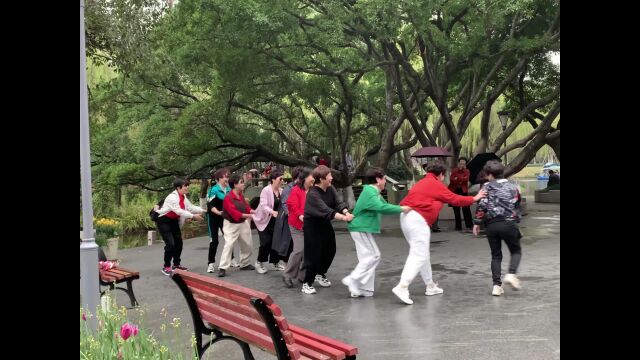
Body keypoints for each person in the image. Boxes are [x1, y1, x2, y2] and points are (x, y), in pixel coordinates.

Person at [392, 161, 486, 304]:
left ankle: (430, 286)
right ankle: (402, 286)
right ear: (441, 174)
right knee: (419, 254)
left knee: (422, 254)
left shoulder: (422, 182)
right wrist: (474, 198)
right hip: (418, 219)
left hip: (407, 217)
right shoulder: (435, 184)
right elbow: (455, 199)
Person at [342, 168, 411, 297]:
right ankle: (353, 280)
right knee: (373, 256)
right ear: (378, 179)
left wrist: (404, 205)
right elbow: (382, 208)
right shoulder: (369, 191)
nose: (385, 181)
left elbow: (386, 206)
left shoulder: (373, 192)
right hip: (360, 228)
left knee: (370, 257)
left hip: (362, 228)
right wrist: (402, 209)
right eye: (384, 178)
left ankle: (362, 288)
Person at [472, 160, 523, 296]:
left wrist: (477, 223)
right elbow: (517, 203)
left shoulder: (486, 186)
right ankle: (511, 274)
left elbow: (482, 205)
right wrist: (516, 219)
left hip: (492, 225)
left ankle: (496, 286)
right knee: (516, 251)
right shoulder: (514, 185)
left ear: (489, 175)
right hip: (509, 223)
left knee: (496, 255)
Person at [301, 165, 353, 295]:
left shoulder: (330, 188)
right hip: (312, 226)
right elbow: (326, 210)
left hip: (324, 224)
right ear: (322, 179)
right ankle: (307, 283)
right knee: (314, 254)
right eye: (329, 175)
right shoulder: (313, 194)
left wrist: (346, 212)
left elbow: (338, 203)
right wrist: (343, 218)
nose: (331, 178)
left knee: (330, 249)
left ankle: (320, 273)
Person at [156, 178, 205, 276]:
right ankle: (166, 266)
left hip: (174, 222)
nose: (187, 187)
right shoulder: (172, 197)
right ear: (178, 188)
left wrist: (204, 210)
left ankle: (176, 265)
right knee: (170, 244)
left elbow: (191, 208)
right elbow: (179, 211)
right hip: (164, 221)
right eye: (185, 186)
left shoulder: (183, 197)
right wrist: (193, 216)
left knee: (179, 243)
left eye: (188, 185)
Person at [218, 174, 256, 277]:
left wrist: (253, 211)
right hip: (231, 224)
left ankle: (245, 263)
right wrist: (249, 215)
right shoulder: (228, 198)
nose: (243, 184)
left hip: (242, 223)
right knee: (229, 244)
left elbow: (246, 207)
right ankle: (222, 267)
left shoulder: (240, 195)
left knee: (247, 243)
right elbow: (234, 213)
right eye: (241, 182)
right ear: (235, 184)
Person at [282, 167, 314, 288]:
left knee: (308, 250)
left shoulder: (312, 190)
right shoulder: (296, 190)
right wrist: (300, 216)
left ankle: (303, 275)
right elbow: (291, 205)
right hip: (296, 225)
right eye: (312, 176)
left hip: (309, 226)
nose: (313, 179)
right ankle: (288, 275)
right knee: (299, 249)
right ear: (305, 178)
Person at [206, 168, 239, 273]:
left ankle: (232, 259)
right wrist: (218, 212)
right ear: (219, 179)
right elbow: (210, 205)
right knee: (214, 241)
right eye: (225, 177)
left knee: (229, 239)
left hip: (225, 218)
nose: (227, 178)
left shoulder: (230, 189)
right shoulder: (214, 190)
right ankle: (211, 264)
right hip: (213, 218)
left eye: (228, 176)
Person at [272, 167, 304, 274]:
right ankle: (288, 266)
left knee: (295, 244)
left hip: (298, 219)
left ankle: (294, 266)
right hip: (288, 220)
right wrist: (291, 214)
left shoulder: (301, 187)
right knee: (288, 243)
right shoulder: (288, 189)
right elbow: (285, 204)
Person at [253, 170, 285, 274]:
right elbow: (263, 205)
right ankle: (259, 262)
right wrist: (272, 212)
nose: (282, 180)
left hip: (276, 221)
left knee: (276, 242)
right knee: (266, 242)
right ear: (273, 179)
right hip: (264, 220)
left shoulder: (282, 190)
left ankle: (275, 262)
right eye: (280, 178)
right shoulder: (266, 190)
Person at [449, 157, 473, 232]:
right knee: (456, 209)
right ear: (458, 163)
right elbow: (452, 180)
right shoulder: (454, 170)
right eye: (461, 163)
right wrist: (461, 178)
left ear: (465, 164)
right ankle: (458, 226)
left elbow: (466, 179)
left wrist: (458, 178)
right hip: (455, 190)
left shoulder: (467, 171)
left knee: (466, 208)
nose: (462, 165)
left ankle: (469, 225)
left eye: (464, 163)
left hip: (463, 191)